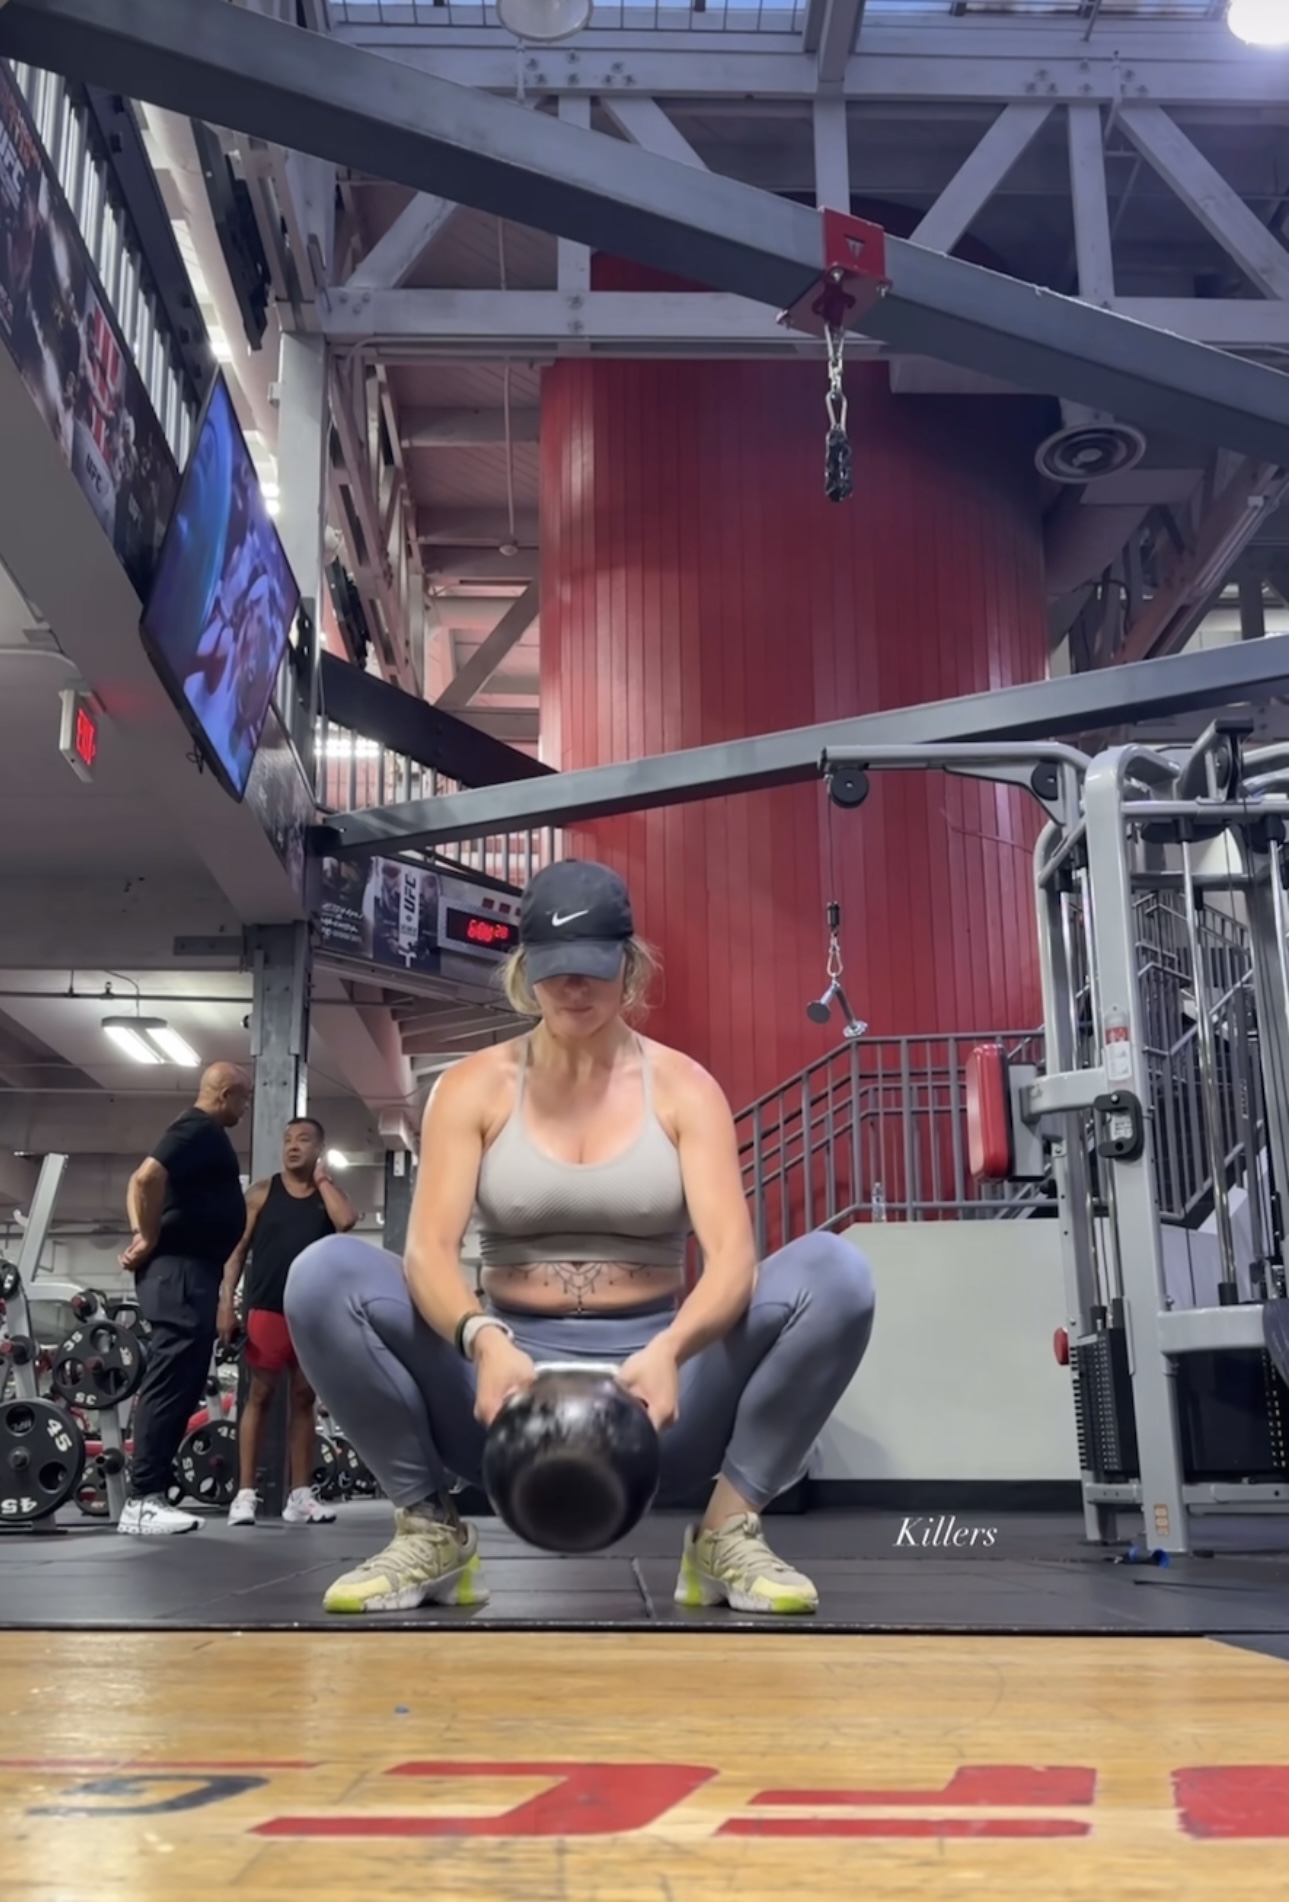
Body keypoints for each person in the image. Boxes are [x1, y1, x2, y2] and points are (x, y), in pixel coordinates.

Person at [286, 859, 876, 1616]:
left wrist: (671, 1351)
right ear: (524, 967)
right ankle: (430, 1529)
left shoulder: (683, 1087)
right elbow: (428, 1252)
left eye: (594, 967)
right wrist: (480, 1339)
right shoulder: (471, 1087)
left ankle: (726, 1532)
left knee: (836, 1272)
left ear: (628, 965)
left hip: (657, 1392)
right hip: (500, 1389)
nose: (574, 988)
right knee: (322, 1274)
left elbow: (733, 1261)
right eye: (555, 968)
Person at [118, 1061, 252, 1536]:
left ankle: (149, 1496)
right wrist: (148, 1236)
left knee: (183, 1380)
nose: (245, 1109)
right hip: (179, 1271)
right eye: (244, 1099)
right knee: (171, 1380)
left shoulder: (199, 1132)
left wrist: (143, 1234)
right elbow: (144, 1179)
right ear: (226, 1094)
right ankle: (141, 1500)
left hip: (191, 1273)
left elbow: (141, 1181)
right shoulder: (198, 1127)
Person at [219, 1117, 359, 1527]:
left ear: (319, 1149)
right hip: (267, 1308)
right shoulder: (262, 1192)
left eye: (303, 1140)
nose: (293, 1146)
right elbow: (235, 1252)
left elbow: (346, 1220)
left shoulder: (327, 1195)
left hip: (313, 1312)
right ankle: (244, 1495)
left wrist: (324, 1179)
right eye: (288, 1140)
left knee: (303, 1399)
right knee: (259, 1397)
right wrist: (225, 1305)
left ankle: (300, 1496)